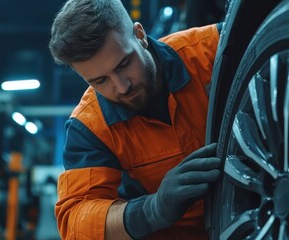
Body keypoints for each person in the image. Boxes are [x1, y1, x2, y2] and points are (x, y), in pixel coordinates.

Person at [49, 0, 222, 239]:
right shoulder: (89, 127)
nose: (122, 87)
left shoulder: (212, 50)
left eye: (123, 64)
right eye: (100, 81)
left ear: (139, 35)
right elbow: (75, 219)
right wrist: (152, 210)